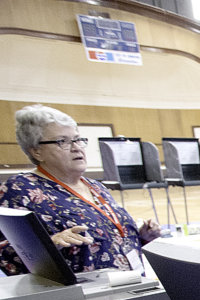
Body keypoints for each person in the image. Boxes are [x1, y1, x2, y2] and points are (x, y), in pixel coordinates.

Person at [0, 105, 162, 275]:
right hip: (77, 296)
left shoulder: (96, 186)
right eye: (62, 141)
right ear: (37, 151)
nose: (76, 147)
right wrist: (50, 243)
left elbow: (113, 239)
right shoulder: (20, 188)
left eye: (78, 139)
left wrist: (142, 236)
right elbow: (5, 251)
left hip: (130, 287)